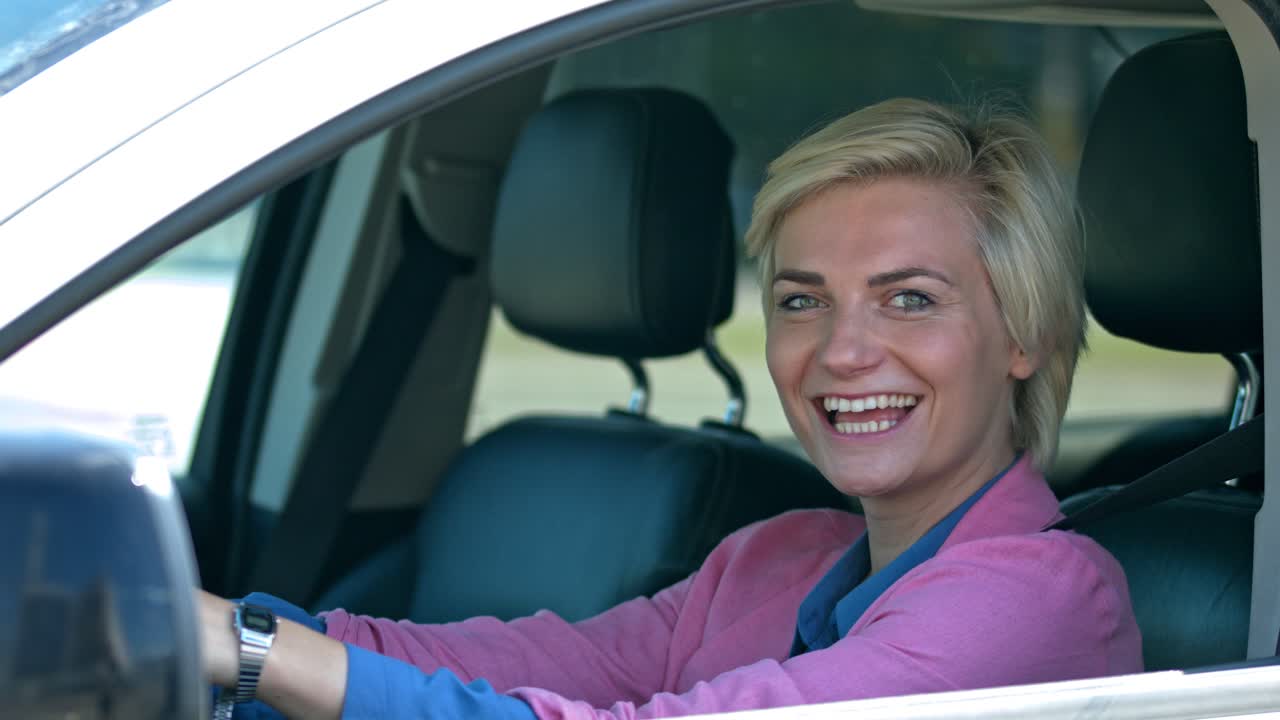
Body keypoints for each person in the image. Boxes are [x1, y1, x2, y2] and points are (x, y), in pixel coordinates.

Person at [199, 98, 1143, 719]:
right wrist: (216, 625)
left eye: (909, 299)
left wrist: (249, 653)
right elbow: (527, 664)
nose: (842, 352)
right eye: (802, 301)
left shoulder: (1040, 599)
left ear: (1023, 336)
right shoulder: (775, 559)